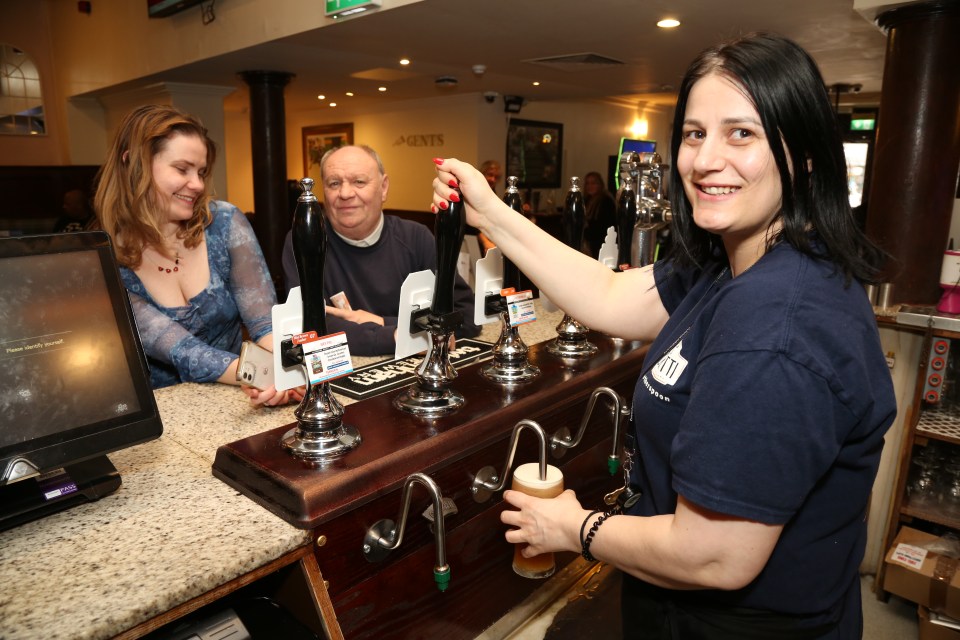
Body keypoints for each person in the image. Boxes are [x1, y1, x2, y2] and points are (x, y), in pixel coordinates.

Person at [432, 33, 895, 639]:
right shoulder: (740, 262)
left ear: (803, 154)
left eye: (742, 133)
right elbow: (609, 294)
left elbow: (716, 554)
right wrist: (489, 212)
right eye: (695, 133)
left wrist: (574, 529)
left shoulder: (774, 332)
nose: (705, 160)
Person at [93, 104, 299, 406]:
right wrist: (266, 376)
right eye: (182, 169)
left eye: (201, 172)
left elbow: (265, 323)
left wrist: (291, 372)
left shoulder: (225, 222)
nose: (198, 184)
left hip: (240, 398)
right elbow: (182, 350)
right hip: (165, 418)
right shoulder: (102, 257)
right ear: (133, 164)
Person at [281, 144, 480, 357]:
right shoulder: (304, 241)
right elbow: (308, 327)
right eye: (334, 183)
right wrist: (398, 335)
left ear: (383, 188)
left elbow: (466, 316)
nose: (345, 193)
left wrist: (380, 322)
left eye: (359, 182)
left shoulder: (415, 238)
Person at [582, 171, 617, 258]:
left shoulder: (606, 201)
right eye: (588, 183)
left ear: (600, 184)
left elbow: (604, 225)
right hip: (590, 242)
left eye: (593, 183)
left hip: (602, 242)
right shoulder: (586, 200)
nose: (590, 186)